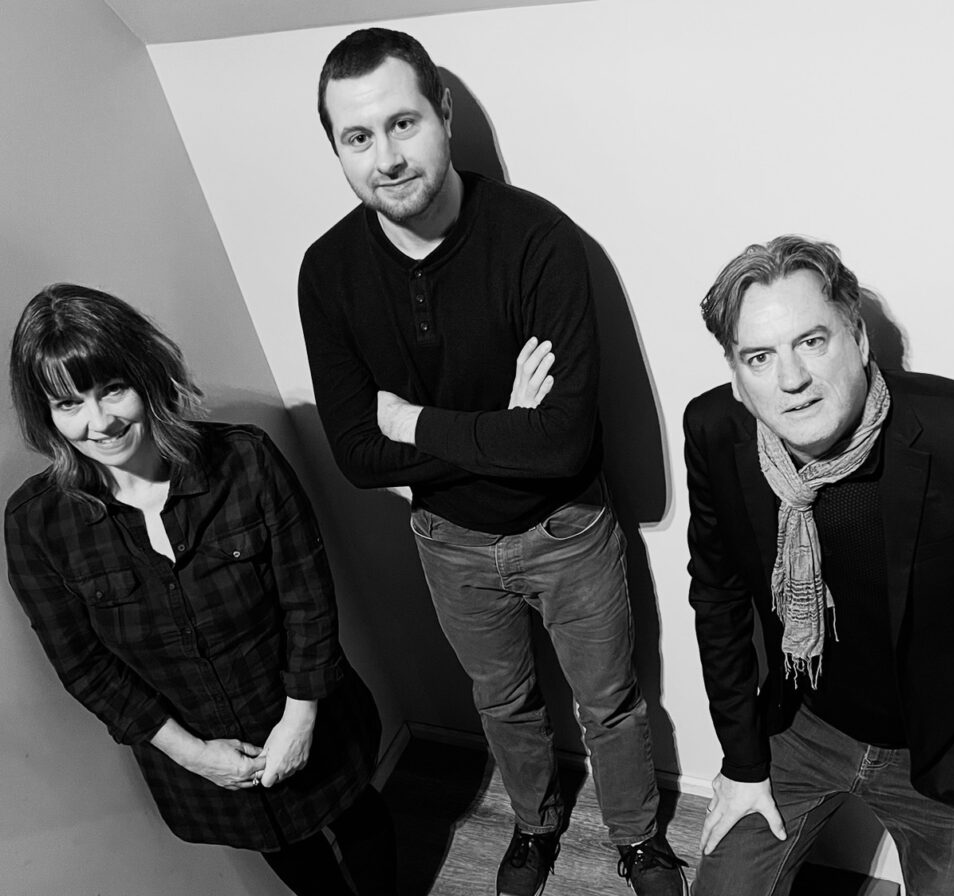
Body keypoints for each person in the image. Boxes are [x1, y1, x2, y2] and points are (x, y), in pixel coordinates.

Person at [298, 26, 687, 896]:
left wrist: (415, 421)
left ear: (442, 114)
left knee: (610, 703)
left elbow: (562, 443)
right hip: (449, 542)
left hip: (568, 528)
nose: (386, 157)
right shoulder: (327, 272)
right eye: (357, 137)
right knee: (501, 704)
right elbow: (358, 455)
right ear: (337, 149)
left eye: (402, 124)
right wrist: (501, 427)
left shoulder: (537, 239)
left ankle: (638, 841)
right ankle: (535, 826)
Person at [5, 284, 397, 896]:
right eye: (68, 403)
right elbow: (83, 666)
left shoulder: (245, 461)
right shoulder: (36, 524)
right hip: (197, 749)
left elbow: (308, 598)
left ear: (146, 375)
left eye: (113, 389)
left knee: (356, 814)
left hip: (306, 711)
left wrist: (300, 719)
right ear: (45, 413)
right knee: (285, 848)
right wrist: (193, 754)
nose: (99, 422)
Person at [684, 235, 954, 895]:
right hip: (803, 725)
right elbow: (717, 595)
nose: (791, 380)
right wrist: (742, 761)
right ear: (737, 375)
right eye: (760, 357)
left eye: (812, 341)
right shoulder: (716, 432)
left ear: (859, 339)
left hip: (949, 748)